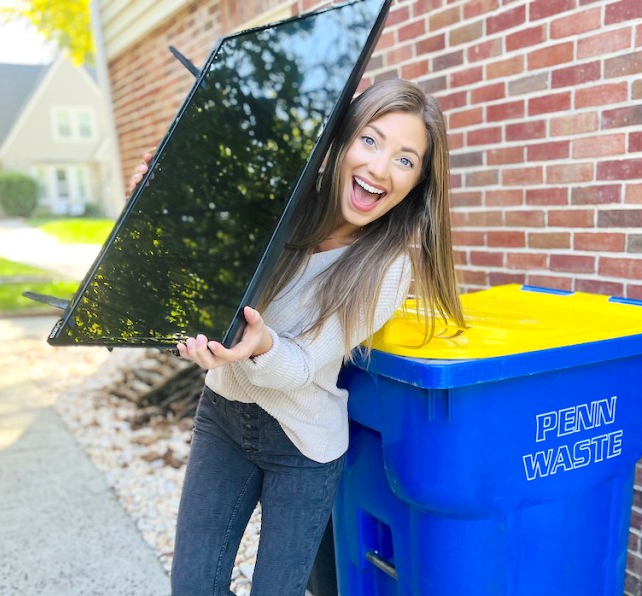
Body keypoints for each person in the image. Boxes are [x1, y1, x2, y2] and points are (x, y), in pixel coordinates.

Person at [128, 78, 466, 595]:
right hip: (224, 414)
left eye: (405, 159)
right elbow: (199, 265)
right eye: (370, 141)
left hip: (302, 444)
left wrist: (259, 345)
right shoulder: (281, 204)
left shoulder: (388, 267)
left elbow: (307, 362)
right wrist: (158, 207)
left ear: (418, 182)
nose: (378, 168)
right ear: (341, 141)